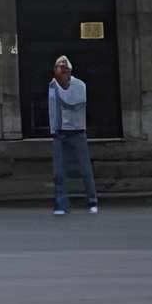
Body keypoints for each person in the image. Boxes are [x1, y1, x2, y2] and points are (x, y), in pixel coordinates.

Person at [48, 54, 98, 215]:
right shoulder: (53, 85)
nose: (60, 69)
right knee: (59, 172)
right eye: (58, 66)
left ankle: (92, 201)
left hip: (77, 132)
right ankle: (61, 205)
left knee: (85, 169)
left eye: (63, 66)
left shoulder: (79, 85)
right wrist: (53, 130)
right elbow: (53, 109)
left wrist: (58, 89)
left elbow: (72, 103)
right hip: (60, 132)